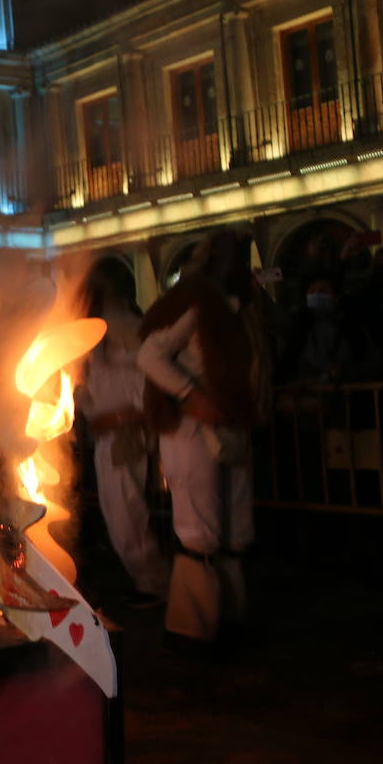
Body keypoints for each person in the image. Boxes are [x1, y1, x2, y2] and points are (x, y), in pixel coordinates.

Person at [138, 231, 266, 654]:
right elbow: (151, 355)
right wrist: (191, 397)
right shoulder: (195, 306)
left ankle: (227, 616)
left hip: (232, 424)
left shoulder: (241, 310)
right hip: (192, 431)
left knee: (234, 527)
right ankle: (192, 627)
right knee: (200, 529)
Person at [78, 279, 169, 606]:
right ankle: (149, 578)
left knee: (125, 509)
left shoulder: (128, 338)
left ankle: (153, 580)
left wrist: (116, 419)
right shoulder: (101, 343)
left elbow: (142, 395)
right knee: (118, 508)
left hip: (125, 435)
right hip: (109, 436)